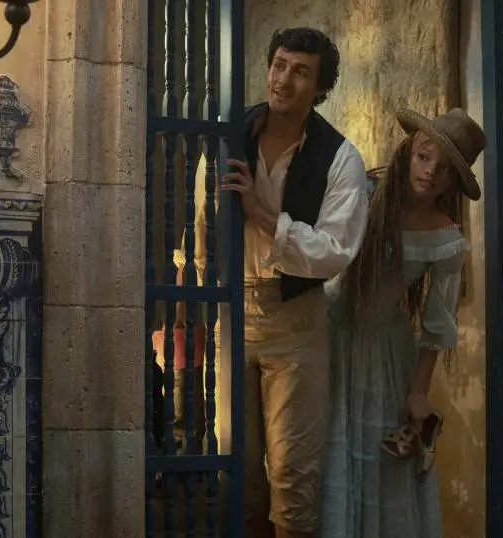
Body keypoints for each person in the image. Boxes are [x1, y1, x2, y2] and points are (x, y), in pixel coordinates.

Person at [173, 27, 369, 538]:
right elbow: (201, 222)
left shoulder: (341, 157)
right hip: (232, 313)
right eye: (279, 65)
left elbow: (335, 251)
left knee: (292, 474)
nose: (284, 79)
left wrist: (262, 213)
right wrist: (198, 294)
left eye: (301, 71)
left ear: (320, 87)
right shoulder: (228, 137)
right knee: (236, 470)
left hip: (297, 321)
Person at [319, 107, 486, 538]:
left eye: (444, 169)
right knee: (322, 454)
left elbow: (436, 323)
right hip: (327, 333)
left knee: (380, 464)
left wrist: (419, 392)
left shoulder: (447, 238)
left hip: (385, 353)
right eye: (424, 157)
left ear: (454, 180)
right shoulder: (365, 193)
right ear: (409, 152)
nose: (430, 172)